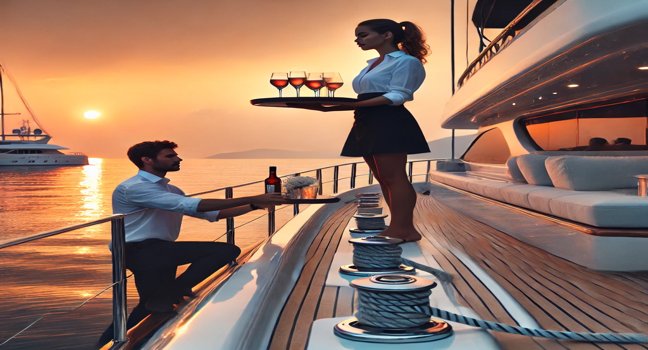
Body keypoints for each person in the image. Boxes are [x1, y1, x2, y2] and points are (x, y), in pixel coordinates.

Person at [98, 140, 284, 345]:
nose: (178, 158)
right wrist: (254, 196)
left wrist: (254, 205)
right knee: (225, 251)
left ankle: (109, 343)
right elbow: (191, 204)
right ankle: (171, 293)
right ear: (147, 160)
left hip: (159, 250)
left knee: (150, 305)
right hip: (140, 251)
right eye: (170, 156)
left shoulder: (172, 190)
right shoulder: (133, 188)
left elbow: (212, 214)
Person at [323, 19, 430, 242]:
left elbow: (398, 95)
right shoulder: (373, 63)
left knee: (394, 176)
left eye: (363, 35)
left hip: (388, 119)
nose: (357, 40)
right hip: (366, 119)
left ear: (387, 35)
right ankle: (399, 227)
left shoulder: (407, 62)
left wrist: (356, 105)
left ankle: (403, 229)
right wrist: (354, 107)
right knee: (383, 178)